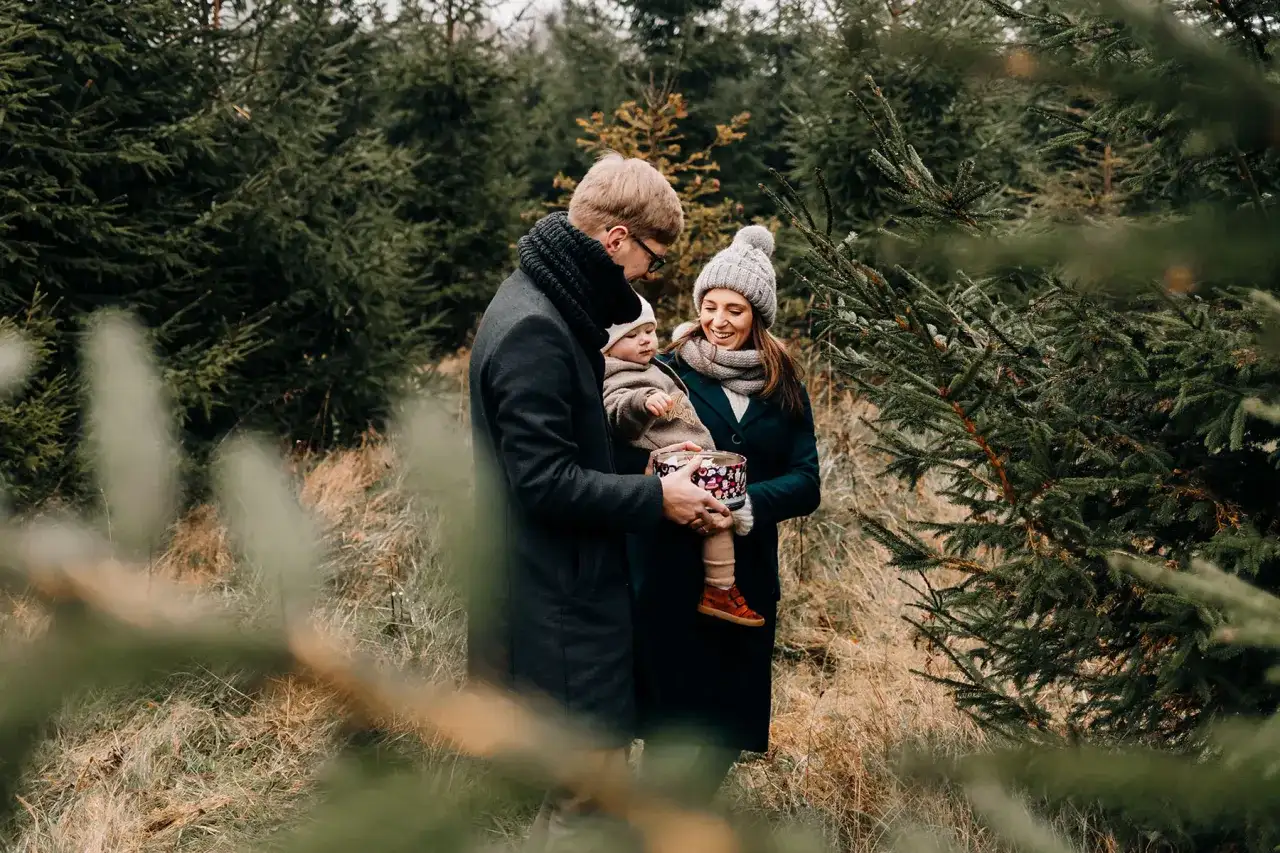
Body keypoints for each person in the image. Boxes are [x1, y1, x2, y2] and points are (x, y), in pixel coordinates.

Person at [467, 152, 732, 851]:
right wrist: (656, 497)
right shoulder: (535, 329)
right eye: (651, 254)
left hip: (565, 595)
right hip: (559, 608)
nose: (649, 274)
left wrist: (642, 461)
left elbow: (565, 449)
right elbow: (542, 483)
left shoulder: (545, 302)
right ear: (615, 237)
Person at [626, 224, 822, 802]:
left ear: (757, 317)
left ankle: (680, 814)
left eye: (734, 309)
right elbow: (625, 437)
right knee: (666, 721)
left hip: (746, 578)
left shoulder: (783, 386)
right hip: (670, 569)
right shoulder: (669, 369)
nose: (719, 319)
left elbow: (807, 483)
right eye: (709, 305)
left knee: (727, 722)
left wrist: (742, 506)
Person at [600, 293, 765, 627]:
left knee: (717, 521)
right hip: (675, 466)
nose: (645, 340)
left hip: (692, 460)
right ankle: (720, 588)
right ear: (608, 346)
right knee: (714, 519)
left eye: (648, 330)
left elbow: (806, 479)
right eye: (631, 335)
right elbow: (616, 408)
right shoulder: (616, 372)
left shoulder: (649, 364)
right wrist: (643, 401)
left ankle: (721, 587)